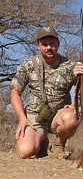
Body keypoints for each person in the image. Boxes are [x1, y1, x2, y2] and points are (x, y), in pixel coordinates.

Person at [10, 27, 79, 159]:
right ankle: (41, 142)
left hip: (58, 116)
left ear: (58, 44)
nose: (48, 47)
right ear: (38, 45)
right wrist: (22, 118)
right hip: (35, 116)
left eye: (52, 44)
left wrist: (76, 105)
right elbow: (15, 92)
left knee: (72, 118)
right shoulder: (28, 65)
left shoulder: (70, 66)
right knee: (25, 152)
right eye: (44, 44)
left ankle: (59, 143)